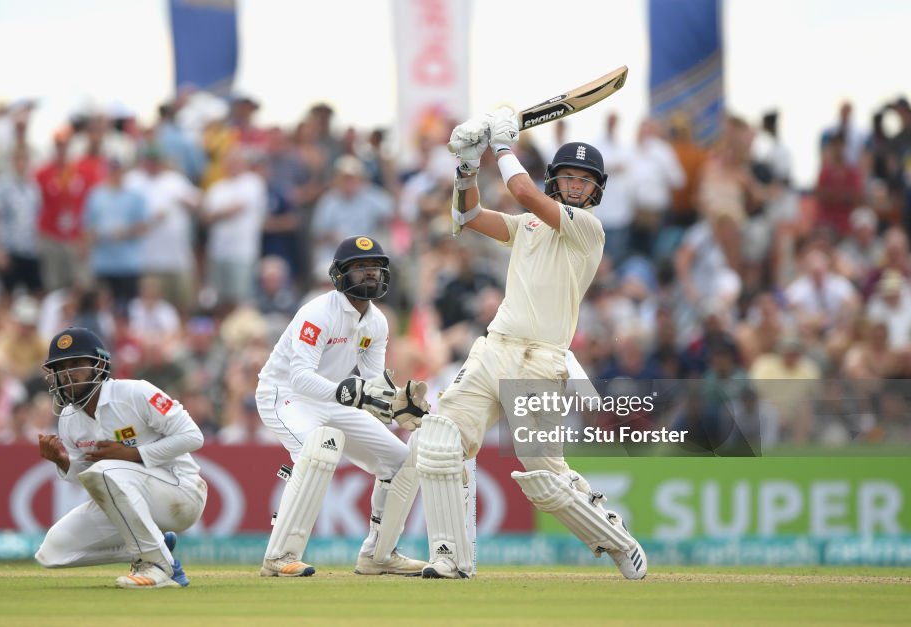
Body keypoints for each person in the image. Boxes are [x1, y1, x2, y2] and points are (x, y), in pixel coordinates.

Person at [422, 108, 648, 579]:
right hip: (493, 347)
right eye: (567, 177)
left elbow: (520, 188)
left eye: (585, 181)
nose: (575, 186)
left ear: (597, 189)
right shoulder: (526, 226)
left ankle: (616, 540)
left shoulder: (589, 231)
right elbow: (466, 215)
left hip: (540, 360)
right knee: (443, 442)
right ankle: (451, 559)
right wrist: (465, 166)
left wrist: (501, 146)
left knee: (544, 478)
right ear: (555, 179)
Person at [255, 235, 430, 577]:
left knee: (401, 462)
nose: (369, 274)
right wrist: (360, 395)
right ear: (340, 275)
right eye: (359, 268)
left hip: (333, 399)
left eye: (375, 268)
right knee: (316, 453)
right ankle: (280, 556)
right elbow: (301, 378)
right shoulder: (317, 312)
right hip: (285, 395)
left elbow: (373, 382)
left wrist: (399, 403)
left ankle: (378, 554)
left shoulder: (377, 322)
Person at [34, 327, 207, 589]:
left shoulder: (135, 393)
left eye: (77, 364)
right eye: (60, 367)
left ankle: (159, 567)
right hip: (130, 502)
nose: (67, 373)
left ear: (99, 365)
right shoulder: (69, 419)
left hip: (181, 493)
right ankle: (157, 549)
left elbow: (193, 436)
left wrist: (133, 454)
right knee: (52, 552)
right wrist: (62, 461)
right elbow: (93, 480)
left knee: (105, 471)